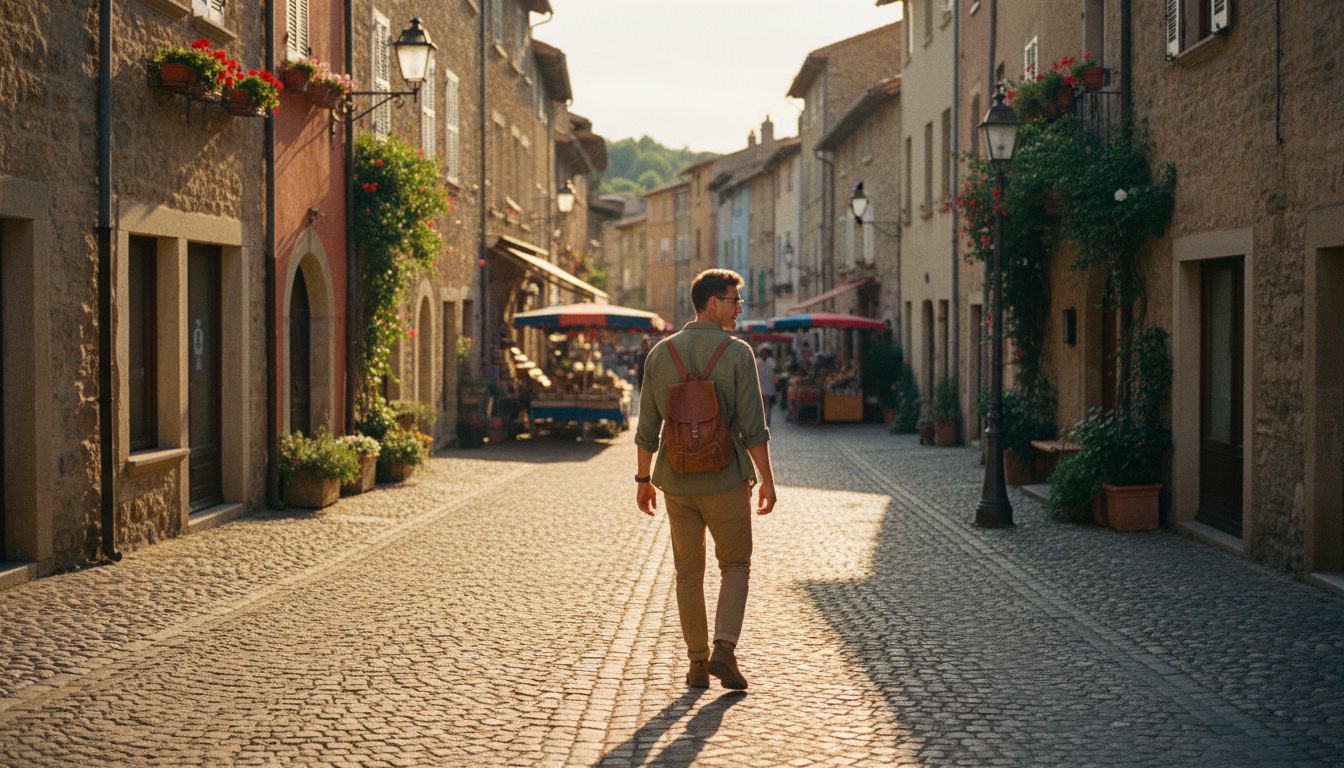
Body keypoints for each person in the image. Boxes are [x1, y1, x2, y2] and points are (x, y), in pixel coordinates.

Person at [634, 269, 777, 690]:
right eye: (735, 301)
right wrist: (767, 480)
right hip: (725, 479)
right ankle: (724, 651)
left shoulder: (660, 354)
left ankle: (697, 663)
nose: (739, 308)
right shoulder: (737, 353)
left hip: (676, 482)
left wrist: (643, 480)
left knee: (687, 573)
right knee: (735, 564)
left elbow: (646, 428)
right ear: (713, 303)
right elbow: (754, 427)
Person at [755, 346, 777, 427]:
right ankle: (761, 422)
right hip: (760, 386)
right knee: (760, 406)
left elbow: (774, 370)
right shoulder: (757, 361)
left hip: (769, 386)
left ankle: (767, 423)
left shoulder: (771, 361)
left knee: (768, 406)